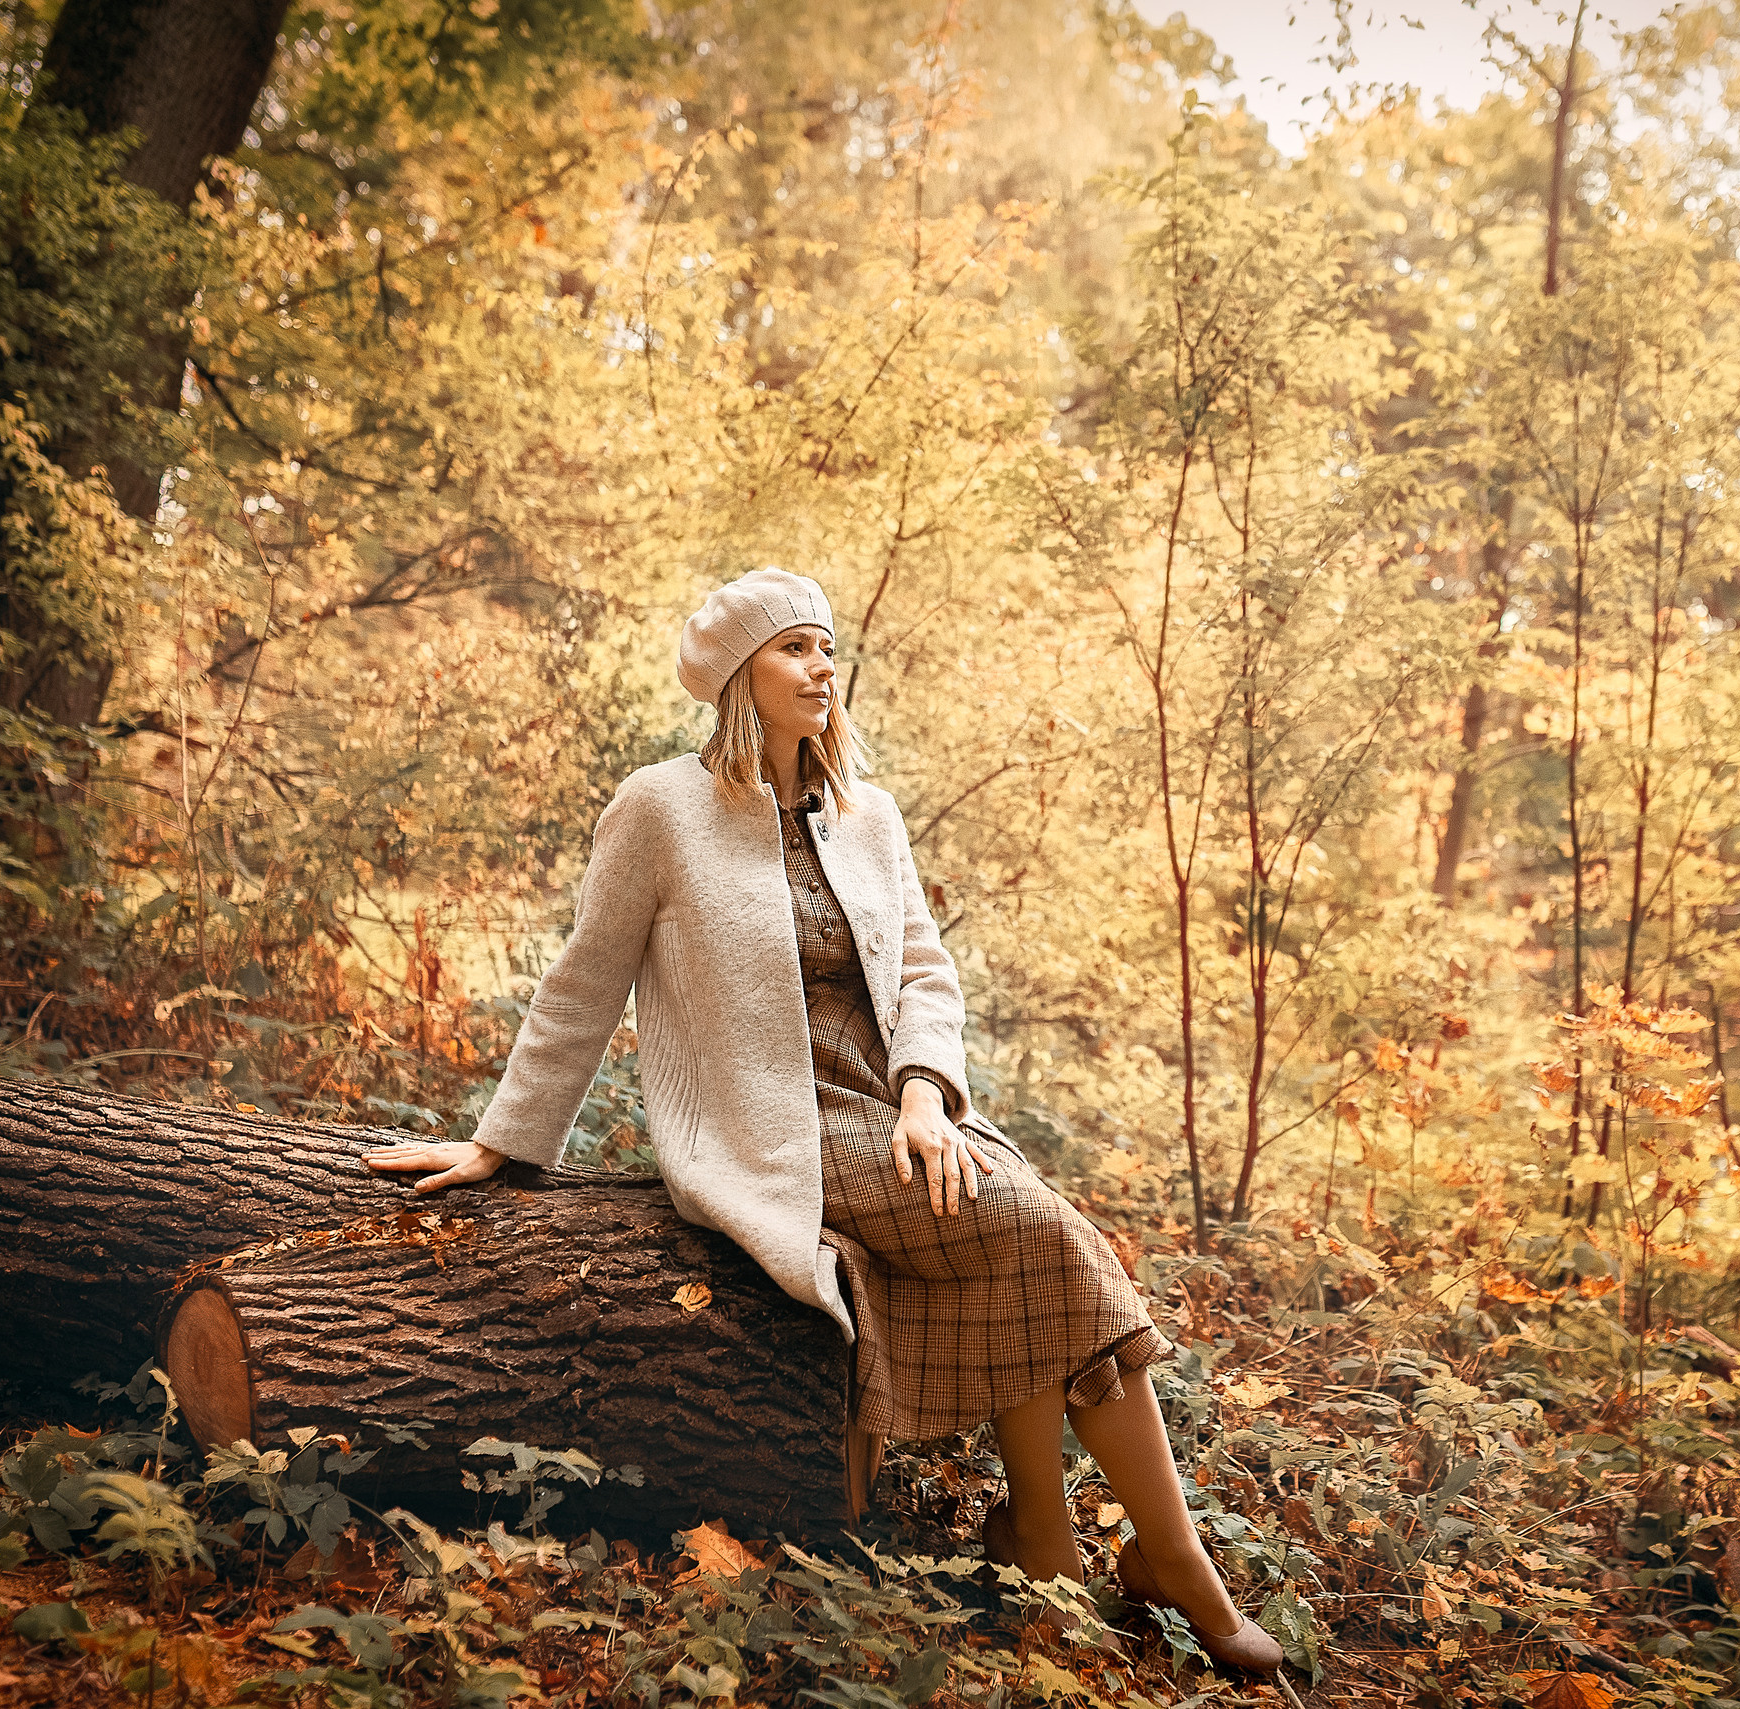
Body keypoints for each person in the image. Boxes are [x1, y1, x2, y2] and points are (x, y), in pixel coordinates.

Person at [363, 568, 1283, 1672]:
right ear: (738, 675)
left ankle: (1058, 1537)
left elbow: (928, 976)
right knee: (1040, 1234)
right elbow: (582, 979)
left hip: (887, 1108)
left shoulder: (868, 814)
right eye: (795, 647)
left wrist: (925, 1093)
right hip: (772, 1127)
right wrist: (502, 1139)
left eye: (828, 649)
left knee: (1029, 1233)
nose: (821, 668)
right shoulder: (660, 807)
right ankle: (1151, 1556)